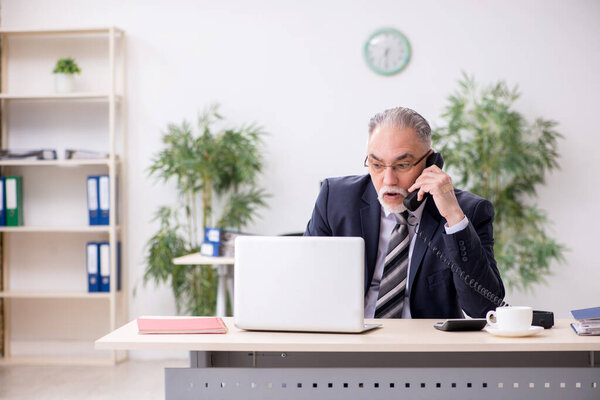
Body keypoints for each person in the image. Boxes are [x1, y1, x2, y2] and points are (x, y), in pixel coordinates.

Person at [304, 107, 504, 319]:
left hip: (425, 347)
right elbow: (303, 282)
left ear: (430, 162)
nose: (388, 180)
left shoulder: (468, 212)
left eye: (402, 165)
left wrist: (453, 218)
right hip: (349, 342)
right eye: (377, 164)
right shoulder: (335, 199)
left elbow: (484, 308)